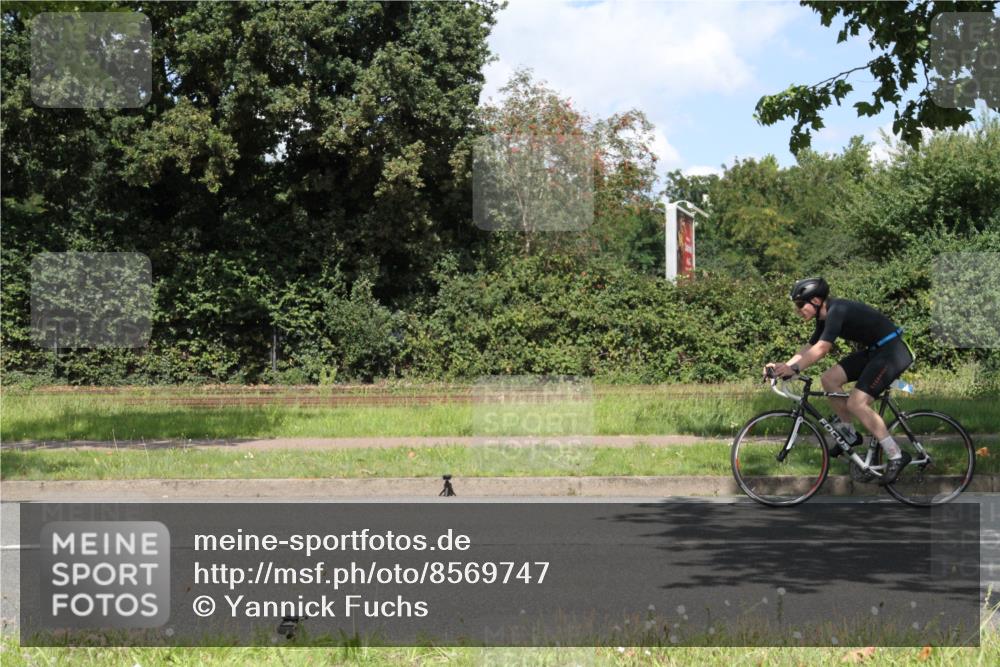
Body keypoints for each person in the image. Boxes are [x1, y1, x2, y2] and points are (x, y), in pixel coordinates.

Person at [764, 277, 915, 485]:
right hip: (875, 351)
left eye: (800, 304)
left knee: (857, 403)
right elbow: (811, 346)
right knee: (829, 379)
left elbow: (822, 349)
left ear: (816, 301)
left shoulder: (837, 310)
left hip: (892, 352)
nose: (797, 310)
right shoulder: (824, 317)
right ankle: (850, 433)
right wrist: (784, 367)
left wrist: (795, 368)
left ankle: (896, 455)